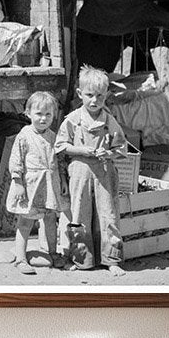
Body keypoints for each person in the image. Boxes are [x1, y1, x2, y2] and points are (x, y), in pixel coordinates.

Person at [55, 66, 127, 276]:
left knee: (108, 215)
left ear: (107, 95)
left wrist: (109, 153)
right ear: (80, 94)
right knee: (80, 214)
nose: (94, 101)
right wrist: (81, 150)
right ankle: (82, 259)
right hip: (80, 173)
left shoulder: (109, 120)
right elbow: (60, 146)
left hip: (104, 173)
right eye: (89, 95)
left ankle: (111, 259)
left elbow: (121, 147)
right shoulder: (73, 119)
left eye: (100, 96)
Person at [6, 91, 66, 274]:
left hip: (49, 186)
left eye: (48, 114)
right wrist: (18, 183)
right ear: (28, 113)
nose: (43, 118)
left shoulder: (53, 136)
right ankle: (21, 258)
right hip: (30, 186)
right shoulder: (24, 136)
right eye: (39, 114)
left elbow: (59, 160)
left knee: (50, 220)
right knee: (25, 222)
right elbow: (15, 161)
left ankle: (53, 253)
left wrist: (63, 180)